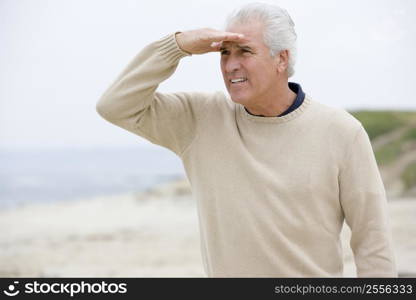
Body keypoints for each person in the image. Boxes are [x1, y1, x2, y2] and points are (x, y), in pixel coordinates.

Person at [96, 2, 397, 277]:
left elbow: (374, 244)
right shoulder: (199, 119)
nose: (230, 65)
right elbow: (114, 105)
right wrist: (178, 45)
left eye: (244, 52)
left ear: (281, 59)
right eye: (224, 52)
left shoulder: (342, 132)